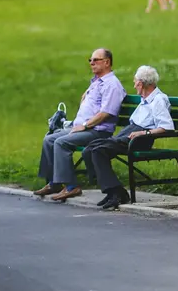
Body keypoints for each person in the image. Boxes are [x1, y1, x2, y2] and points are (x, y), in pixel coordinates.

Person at [35, 48, 126, 201]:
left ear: (107, 62)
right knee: (49, 139)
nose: (91, 63)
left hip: (97, 131)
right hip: (84, 128)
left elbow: (107, 113)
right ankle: (54, 183)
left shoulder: (112, 85)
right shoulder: (97, 82)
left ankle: (71, 186)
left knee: (61, 142)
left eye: (95, 60)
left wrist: (85, 125)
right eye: (90, 60)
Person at [82, 65, 174, 210]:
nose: (134, 85)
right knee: (89, 149)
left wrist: (144, 133)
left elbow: (167, 127)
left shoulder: (158, 100)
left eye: (135, 82)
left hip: (140, 139)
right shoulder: (145, 99)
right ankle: (113, 191)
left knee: (99, 151)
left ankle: (116, 193)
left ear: (141, 84)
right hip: (130, 133)